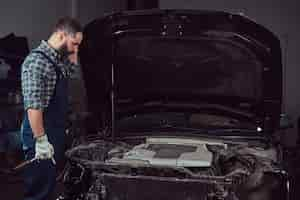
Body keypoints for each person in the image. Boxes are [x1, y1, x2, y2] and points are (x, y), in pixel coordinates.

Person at [20, 17, 83, 200]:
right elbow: (34, 107)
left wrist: (73, 49)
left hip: (54, 133)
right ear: (62, 35)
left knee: (49, 187)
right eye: (74, 44)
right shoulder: (37, 62)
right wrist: (41, 141)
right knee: (39, 192)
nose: (75, 50)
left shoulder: (58, 61)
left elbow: (73, 69)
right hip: (40, 135)